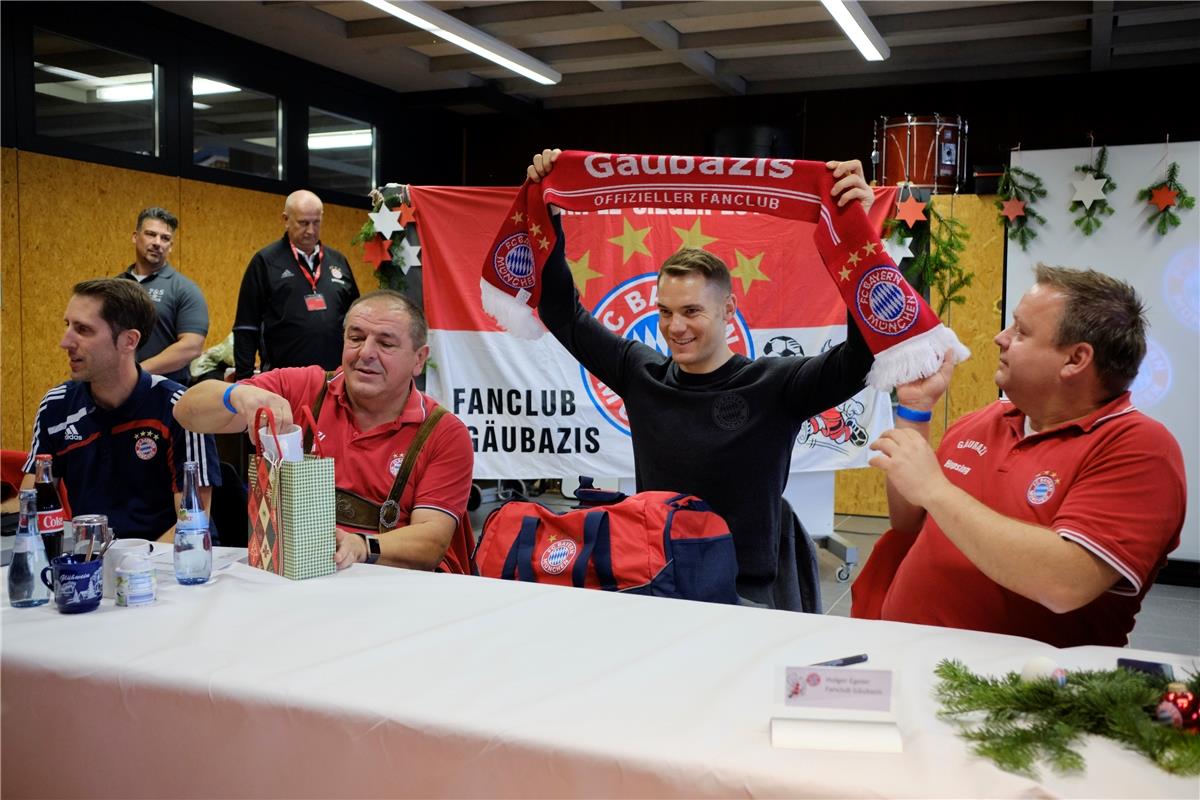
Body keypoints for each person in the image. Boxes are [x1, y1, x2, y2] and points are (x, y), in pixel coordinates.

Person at [527, 148, 876, 608]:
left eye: (692, 311)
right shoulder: (641, 373)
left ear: (729, 311)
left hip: (745, 597)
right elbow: (561, 312)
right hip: (657, 584)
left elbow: (860, 358)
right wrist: (548, 213)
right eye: (666, 312)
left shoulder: (775, 386)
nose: (676, 327)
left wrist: (859, 234)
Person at [867, 265, 1186, 647]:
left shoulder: (1140, 448)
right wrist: (916, 411)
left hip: (1014, 693)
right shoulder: (983, 422)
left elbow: (1063, 583)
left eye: (1021, 330)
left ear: (1076, 359)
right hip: (907, 659)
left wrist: (935, 488)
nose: (1000, 338)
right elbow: (908, 522)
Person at [176, 290, 474, 573]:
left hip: (401, 593)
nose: (366, 353)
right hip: (302, 580)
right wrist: (236, 397)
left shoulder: (443, 433)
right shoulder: (303, 388)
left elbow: (431, 542)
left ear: (419, 359)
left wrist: (361, 546)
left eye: (386, 344)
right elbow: (186, 413)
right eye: (356, 338)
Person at [22, 279, 221, 541]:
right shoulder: (56, 406)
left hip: (169, 566)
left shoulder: (181, 409)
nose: (65, 342)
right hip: (89, 564)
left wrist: (130, 569)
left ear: (129, 340)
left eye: (83, 329)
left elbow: (194, 520)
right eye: (67, 326)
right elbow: (30, 507)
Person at [233, 189, 359, 379]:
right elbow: (246, 328)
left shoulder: (338, 261)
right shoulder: (266, 262)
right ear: (286, 219)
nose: (310, 230)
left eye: (316, 222)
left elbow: (356, 319)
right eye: (303, 223)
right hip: (283, 379)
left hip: (335, 377)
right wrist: (244, 380)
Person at [116, 207, 209, 385]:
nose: (157, 242)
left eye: (165, 238)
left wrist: (137, 372)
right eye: (151, 234)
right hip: (115, 390)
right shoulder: (114, 287)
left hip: (164, 392)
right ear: (135, 237)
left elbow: (192, 346)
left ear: (171, 246)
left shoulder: (185, 289)